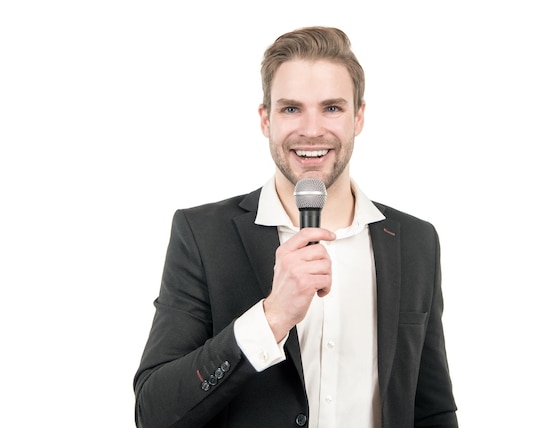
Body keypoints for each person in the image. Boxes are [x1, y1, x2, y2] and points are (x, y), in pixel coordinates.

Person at [134, 26, 458, 428]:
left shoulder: (415, 241)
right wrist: (271, 317)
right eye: (291, 109)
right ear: (265, 119)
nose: (311, 129)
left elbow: (432, 408)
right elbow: (155, 412)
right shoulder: (202, 235)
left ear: (358, 117)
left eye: (332, 108)